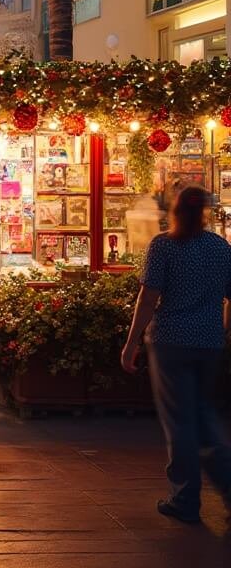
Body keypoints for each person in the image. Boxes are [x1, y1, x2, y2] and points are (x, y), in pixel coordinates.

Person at [121, 185, 231, 523]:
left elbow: (148, 299)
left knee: (179, 419)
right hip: (209, 342)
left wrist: (131, 343)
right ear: (205, 212)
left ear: (174, 210)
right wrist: (222, 329)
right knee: (204, 414)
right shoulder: (220, 247)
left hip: (170, 341)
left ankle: (184, 498)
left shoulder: (164, 245)